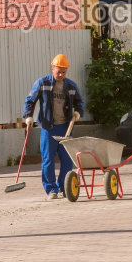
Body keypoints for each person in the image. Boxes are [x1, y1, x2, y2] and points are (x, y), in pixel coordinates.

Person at [23, 54, 85, 200]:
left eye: (64, 72)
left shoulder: (71, 86)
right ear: (53, 68)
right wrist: (28, 116)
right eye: (58, 71)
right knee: (48, 159)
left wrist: (78, 112)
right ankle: (51, 189)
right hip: (48, 128)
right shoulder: (42, 83)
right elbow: (30, 101)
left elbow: (79, 102)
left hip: (65, 128)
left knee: (67, 159)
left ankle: (64, 187)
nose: (61, 74)